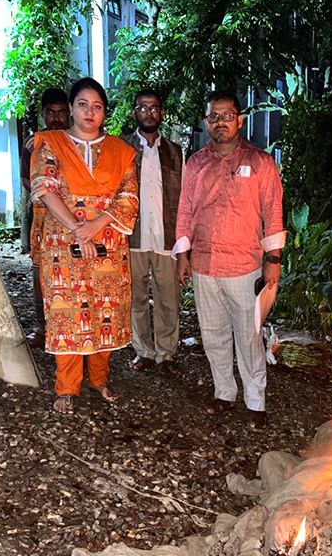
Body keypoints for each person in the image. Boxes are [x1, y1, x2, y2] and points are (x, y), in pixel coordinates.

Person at [174, 89, 285, 431]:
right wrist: (182, 254)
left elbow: (273, 212)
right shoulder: (196, 163)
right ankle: (224, 393)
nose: (220, 122)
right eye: (213, 117)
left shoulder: (261, 162)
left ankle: (256, 400)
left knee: (249, 335)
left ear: (240, 119)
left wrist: (274, 259)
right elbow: (185, 210)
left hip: (244, 266)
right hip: (205, 265)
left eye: (226, 116)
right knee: (213, 335)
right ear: (206, 122)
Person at [29, 77, 138, 415]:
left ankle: (100, 378)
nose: (90, 112)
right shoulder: (50, 144)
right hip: (63, 241)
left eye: (97, 106)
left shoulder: (121, 151)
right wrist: (78, 228)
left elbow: (129, 197)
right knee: (66, 315)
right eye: (83, 104)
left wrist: (95, 225)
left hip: (107, 238)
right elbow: (45, 188)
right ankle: (66, 387)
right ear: (72, 107)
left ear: (104, 111)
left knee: (105, 311)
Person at [121, 89, 184, 376]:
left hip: (166, 239)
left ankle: (166, 354)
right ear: (135, 113)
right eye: (143, 108)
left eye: (154, 107)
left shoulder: (174, 151)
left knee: (168, 300)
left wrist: (184, 244)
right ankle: (143, 350)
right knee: (135, 298)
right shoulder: (120, 149)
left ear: (162, 113)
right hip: (132, 237)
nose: (148, 112)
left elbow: (183, 198)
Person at [21, 88, 69, 348]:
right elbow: (28, 180)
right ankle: (43, 326)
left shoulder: (76, 142)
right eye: (51, 113)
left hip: (74, 216)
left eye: (61, 112)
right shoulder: (34, 143)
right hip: (41, 218)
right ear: (44, 114)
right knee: (40, 274)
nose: (56, 118)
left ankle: (68, 326)